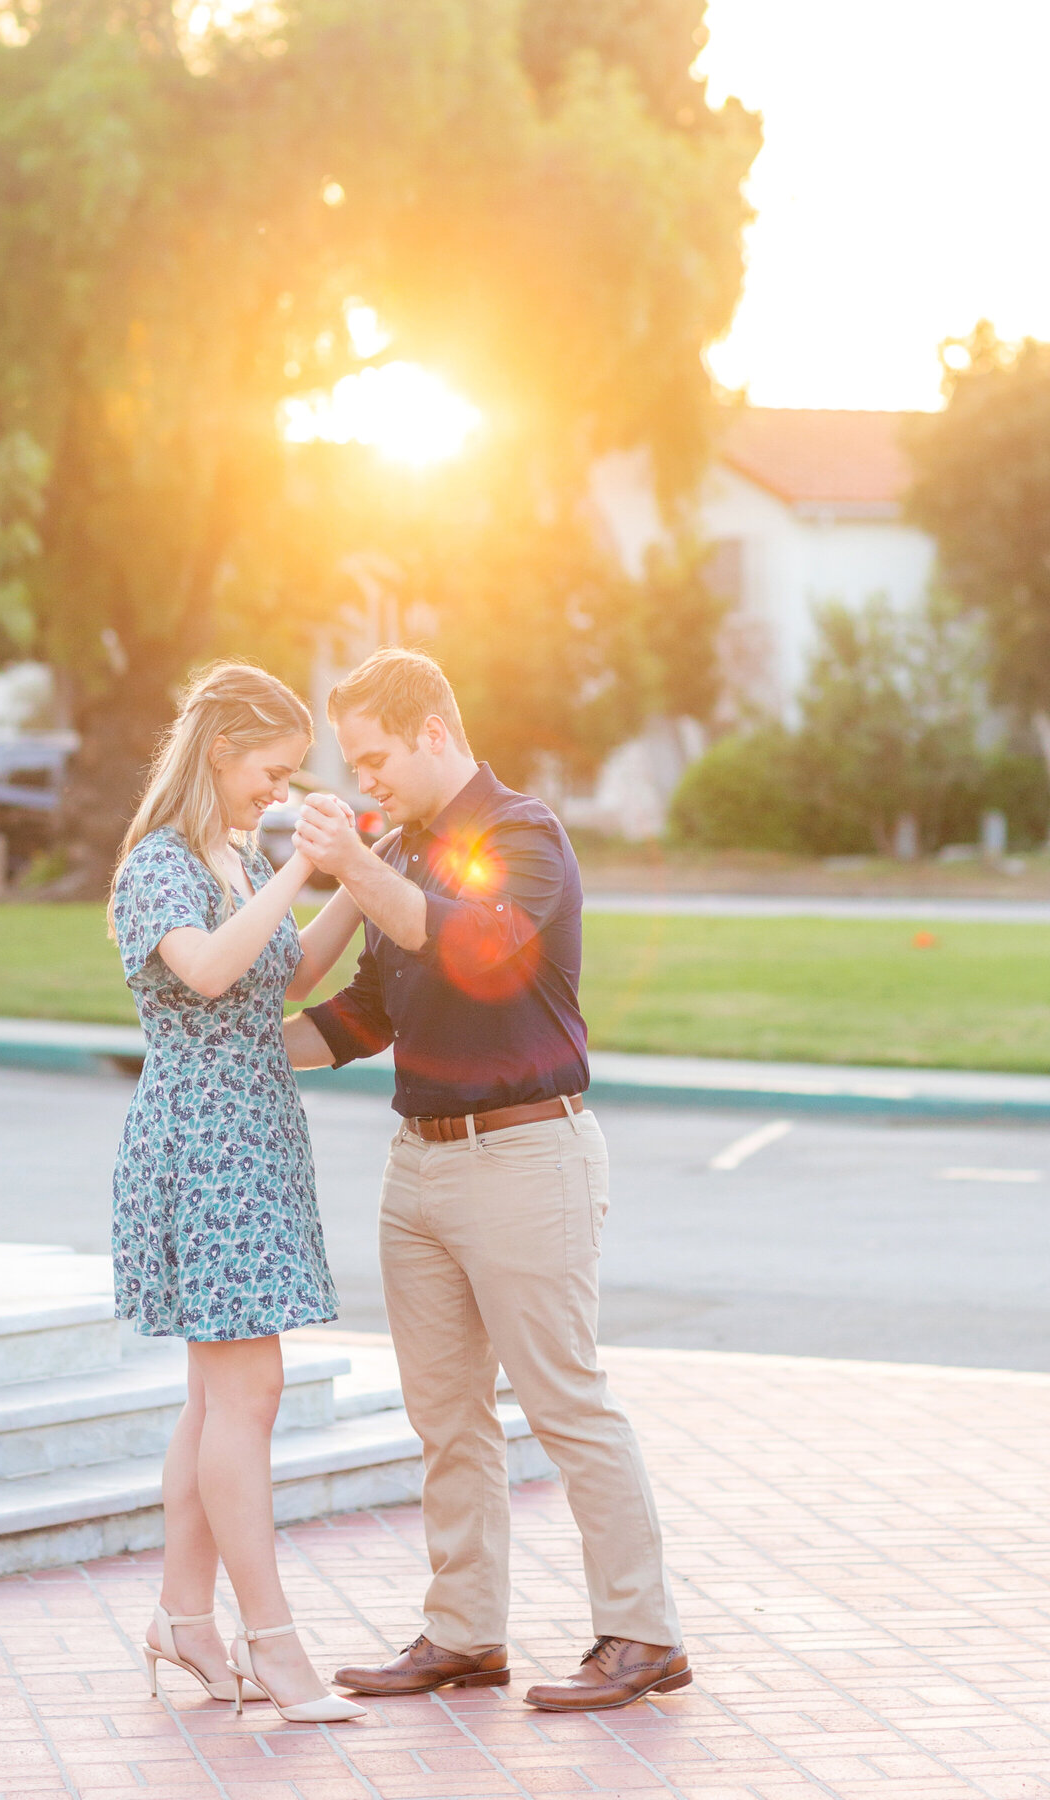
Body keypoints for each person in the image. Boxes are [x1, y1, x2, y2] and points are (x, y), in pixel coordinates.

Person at [283, 647, 690, 1713]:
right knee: (445, 1416)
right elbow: (368, 1011)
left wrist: (355, 868)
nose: (362, 778)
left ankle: (644, 1634)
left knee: (564, 1401)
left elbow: (480, 949)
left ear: (431, 732)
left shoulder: (524, 833)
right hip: (417, 1162)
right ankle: (465, 1636)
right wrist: (237, 1050)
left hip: (525, 1154)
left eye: (374, 758)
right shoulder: (408, 847)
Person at [107, 660, 367, 1724]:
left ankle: (185, 1618)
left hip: (255, 1142)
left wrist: (353, 867)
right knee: (246, 1396)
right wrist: (296, 870)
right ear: (221, 749)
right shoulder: (160, 865)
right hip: (200, 1150)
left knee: (217, 1399)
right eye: (274, 767)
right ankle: (273, 1644)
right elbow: (211, 971)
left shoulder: (232, 853)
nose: (280, 787)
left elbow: (289, 974)